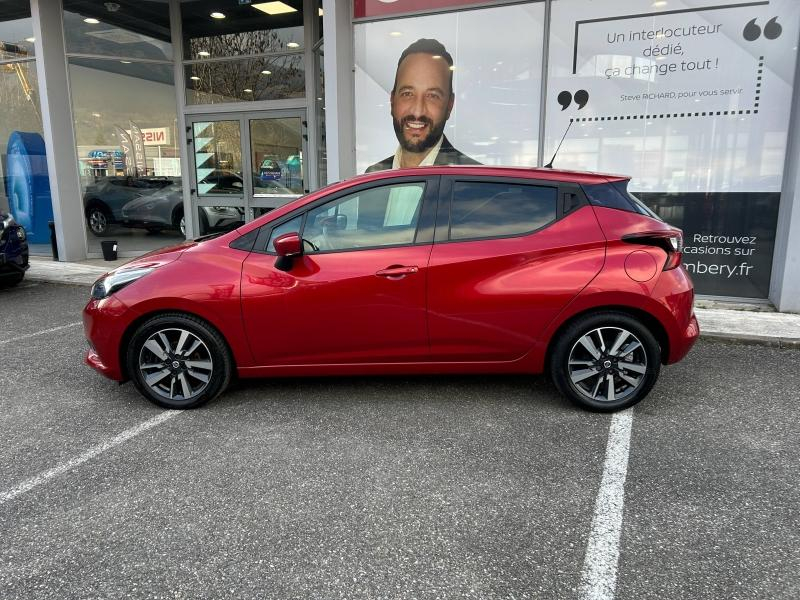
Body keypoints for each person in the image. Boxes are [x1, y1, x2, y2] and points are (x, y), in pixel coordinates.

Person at [366, 38, 480, 172]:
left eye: (432, 96)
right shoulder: (373, 174)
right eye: (407, 94)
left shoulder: (473, 179)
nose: (418, 111)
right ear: (392, 100)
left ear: (450, 105)